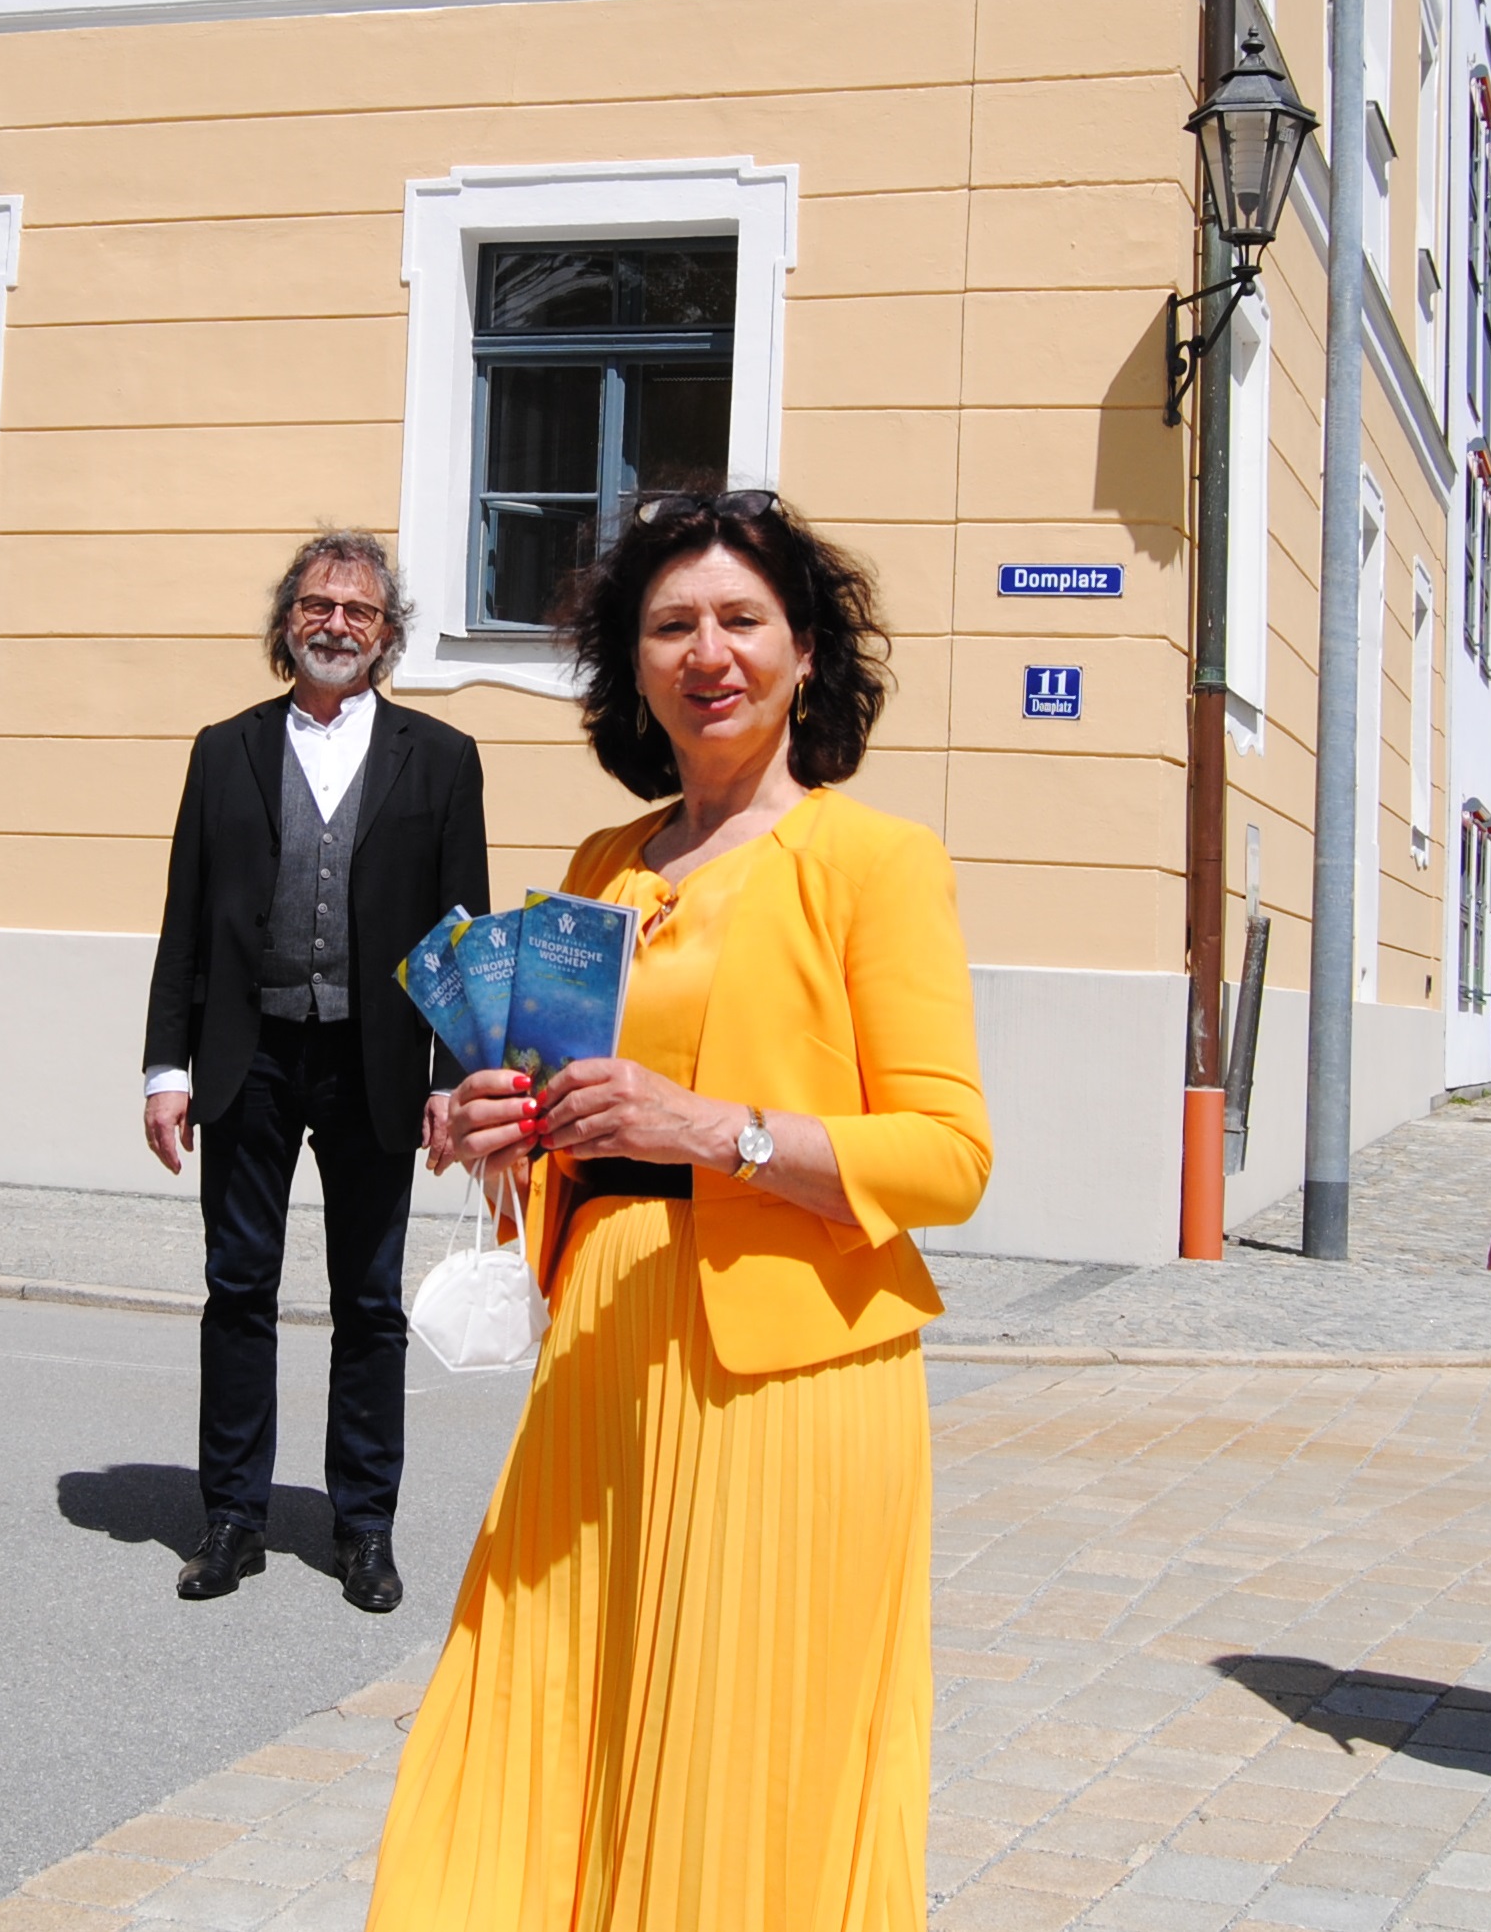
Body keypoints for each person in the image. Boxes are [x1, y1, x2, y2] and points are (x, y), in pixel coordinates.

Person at [365, 490, 992, 1931]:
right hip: (601, 1349)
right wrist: (486, 1131)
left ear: (804, 653)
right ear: (631, 666)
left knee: (745, 1748)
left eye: (738, 620)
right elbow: (555, 1129)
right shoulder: (603, 867)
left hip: (789, 1375)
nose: (706, 651)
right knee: (539, 1710)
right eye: (670, 626)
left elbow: (948, 1154)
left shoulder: (869, 861)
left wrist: (713, 1130)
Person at [143, 532, 490, 1613]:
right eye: (317, 604)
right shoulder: (223, 749)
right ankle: (232, 1517)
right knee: (237, 1290)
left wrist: (453, 1074)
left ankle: (363, 1527)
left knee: (368, 1302)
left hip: (375, 1061)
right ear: (286, 620)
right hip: (247, 1055)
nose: (335, 622)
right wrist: (166, 1066)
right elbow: (184, 921)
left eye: (359, 610)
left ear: (387, 636)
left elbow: (459, 929)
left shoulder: (440, 757)